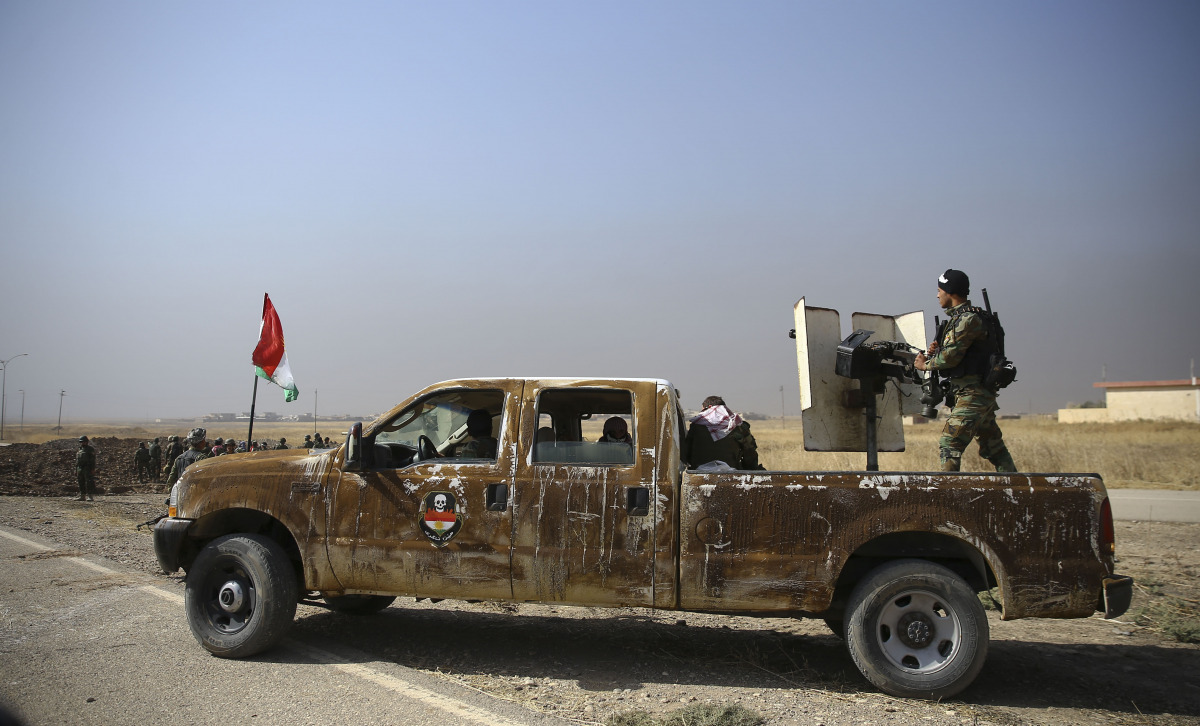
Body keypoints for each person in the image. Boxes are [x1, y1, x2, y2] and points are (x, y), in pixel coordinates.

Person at [915, 268, 1017, 473]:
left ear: (950, 291)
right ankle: (1017, 488)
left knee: (950, 443)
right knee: (994, 447)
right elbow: (959, 353)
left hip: (973, 394)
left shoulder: (967, 319)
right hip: (977, 394)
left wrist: (925, 364)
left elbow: (951, 357)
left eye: (939, 290)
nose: (937, 295)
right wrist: (938, 351)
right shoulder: (967, 318)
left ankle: (949, 496)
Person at [683, 396, 763, 470]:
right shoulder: (737, 425)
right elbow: (750, 452)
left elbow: (686, 452)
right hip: (731, 473)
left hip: (699, 472)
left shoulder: (696, 426)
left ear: (709, 407)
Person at [75, 436, 97, 501]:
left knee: (89, 482)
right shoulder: (80, 449)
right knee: (81, 482)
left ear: (87, 442)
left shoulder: (90, 449)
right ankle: (82, 496)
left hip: (87, 468)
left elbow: (93, 460)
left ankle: (90, 496)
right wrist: (76, 469)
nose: (83, 443)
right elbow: (77, 460)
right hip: (80, 468)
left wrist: (92, 469)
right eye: (81, 442)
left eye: (84, 442)